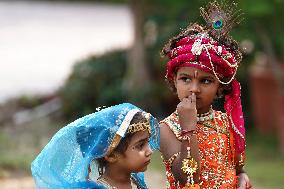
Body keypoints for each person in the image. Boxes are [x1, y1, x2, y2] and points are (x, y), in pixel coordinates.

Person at [159, 1, 252, 189]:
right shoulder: (167, 128)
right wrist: (188, 129)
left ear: (220, 87)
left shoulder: (226, 122)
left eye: (206, 81)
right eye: (185, 79)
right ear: (174, 81)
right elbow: (188, 179)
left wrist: (242, 178)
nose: (194, 89)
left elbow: (238, 169)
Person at [31, 103, 160, 189]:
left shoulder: (135, 182)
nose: (149, 150)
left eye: (147, 142)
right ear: (111, 155)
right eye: (140, 145)